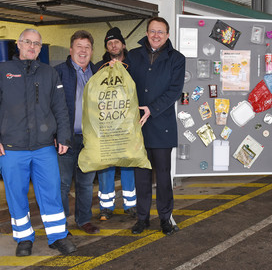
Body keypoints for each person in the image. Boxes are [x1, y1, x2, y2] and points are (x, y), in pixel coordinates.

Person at [0, 29, 76, 256]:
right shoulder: (3, 71)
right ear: (19, 45)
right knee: (16, 193)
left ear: (40, 49)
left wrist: (63, 136)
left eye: (36, 44)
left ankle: (57, 236)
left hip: (44, 147)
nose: (32, 47)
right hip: (12, 148)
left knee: (51, 192)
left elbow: (60, 108)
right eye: (28, 42)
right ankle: (23, 238)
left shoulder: (49, 73)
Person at [126, 17, 185, 235]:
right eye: (152, 31)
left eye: (161, 32)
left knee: (162, 175)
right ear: (147, 32)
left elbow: (174, 91)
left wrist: (152, 108)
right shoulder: (133, 55)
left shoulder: (177, 59)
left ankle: (165, 218)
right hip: (138, 126)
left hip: (162, 125)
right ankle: (142, 218)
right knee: (141, 176)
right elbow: (125, 84)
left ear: (167, 35)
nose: (156, 35)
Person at [55, 30, 100, 234]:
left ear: (92, 51)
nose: (83, 51)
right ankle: (61, 223)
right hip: (65, 139)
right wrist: (55, 135)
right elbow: (50, 107)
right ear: (71, 49)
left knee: (85, 183)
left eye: (87, 47)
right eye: (79, 46)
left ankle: (83, 220)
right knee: (62, 184)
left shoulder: (99, 73)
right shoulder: (57, 72)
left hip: (90, 139)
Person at [95, 27, 137, 221]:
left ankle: (131, 204)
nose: (113, 45)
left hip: (129, 125)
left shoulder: (134, 65)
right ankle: (106, 206)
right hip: (106, 127)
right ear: (106, 47)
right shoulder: (99, 67)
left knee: (128, 164)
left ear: (123, 45)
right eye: (109, 43)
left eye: (116, 42)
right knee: (107, 166)